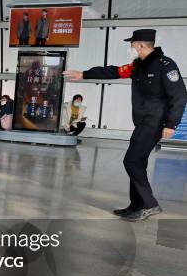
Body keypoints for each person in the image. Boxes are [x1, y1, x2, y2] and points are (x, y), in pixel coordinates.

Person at [64, 29, 187, 221]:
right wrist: (84, 74)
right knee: (138, 162)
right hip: (142, 121)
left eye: (132, 43)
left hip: (155, 122)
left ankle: (149, 204)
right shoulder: (138, 66)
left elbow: (179, 96)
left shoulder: (165, 65)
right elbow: (113, 71)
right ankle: (136, 205)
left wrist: (171, 124)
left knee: (131, 161)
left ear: (140, 45)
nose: (130, 47)